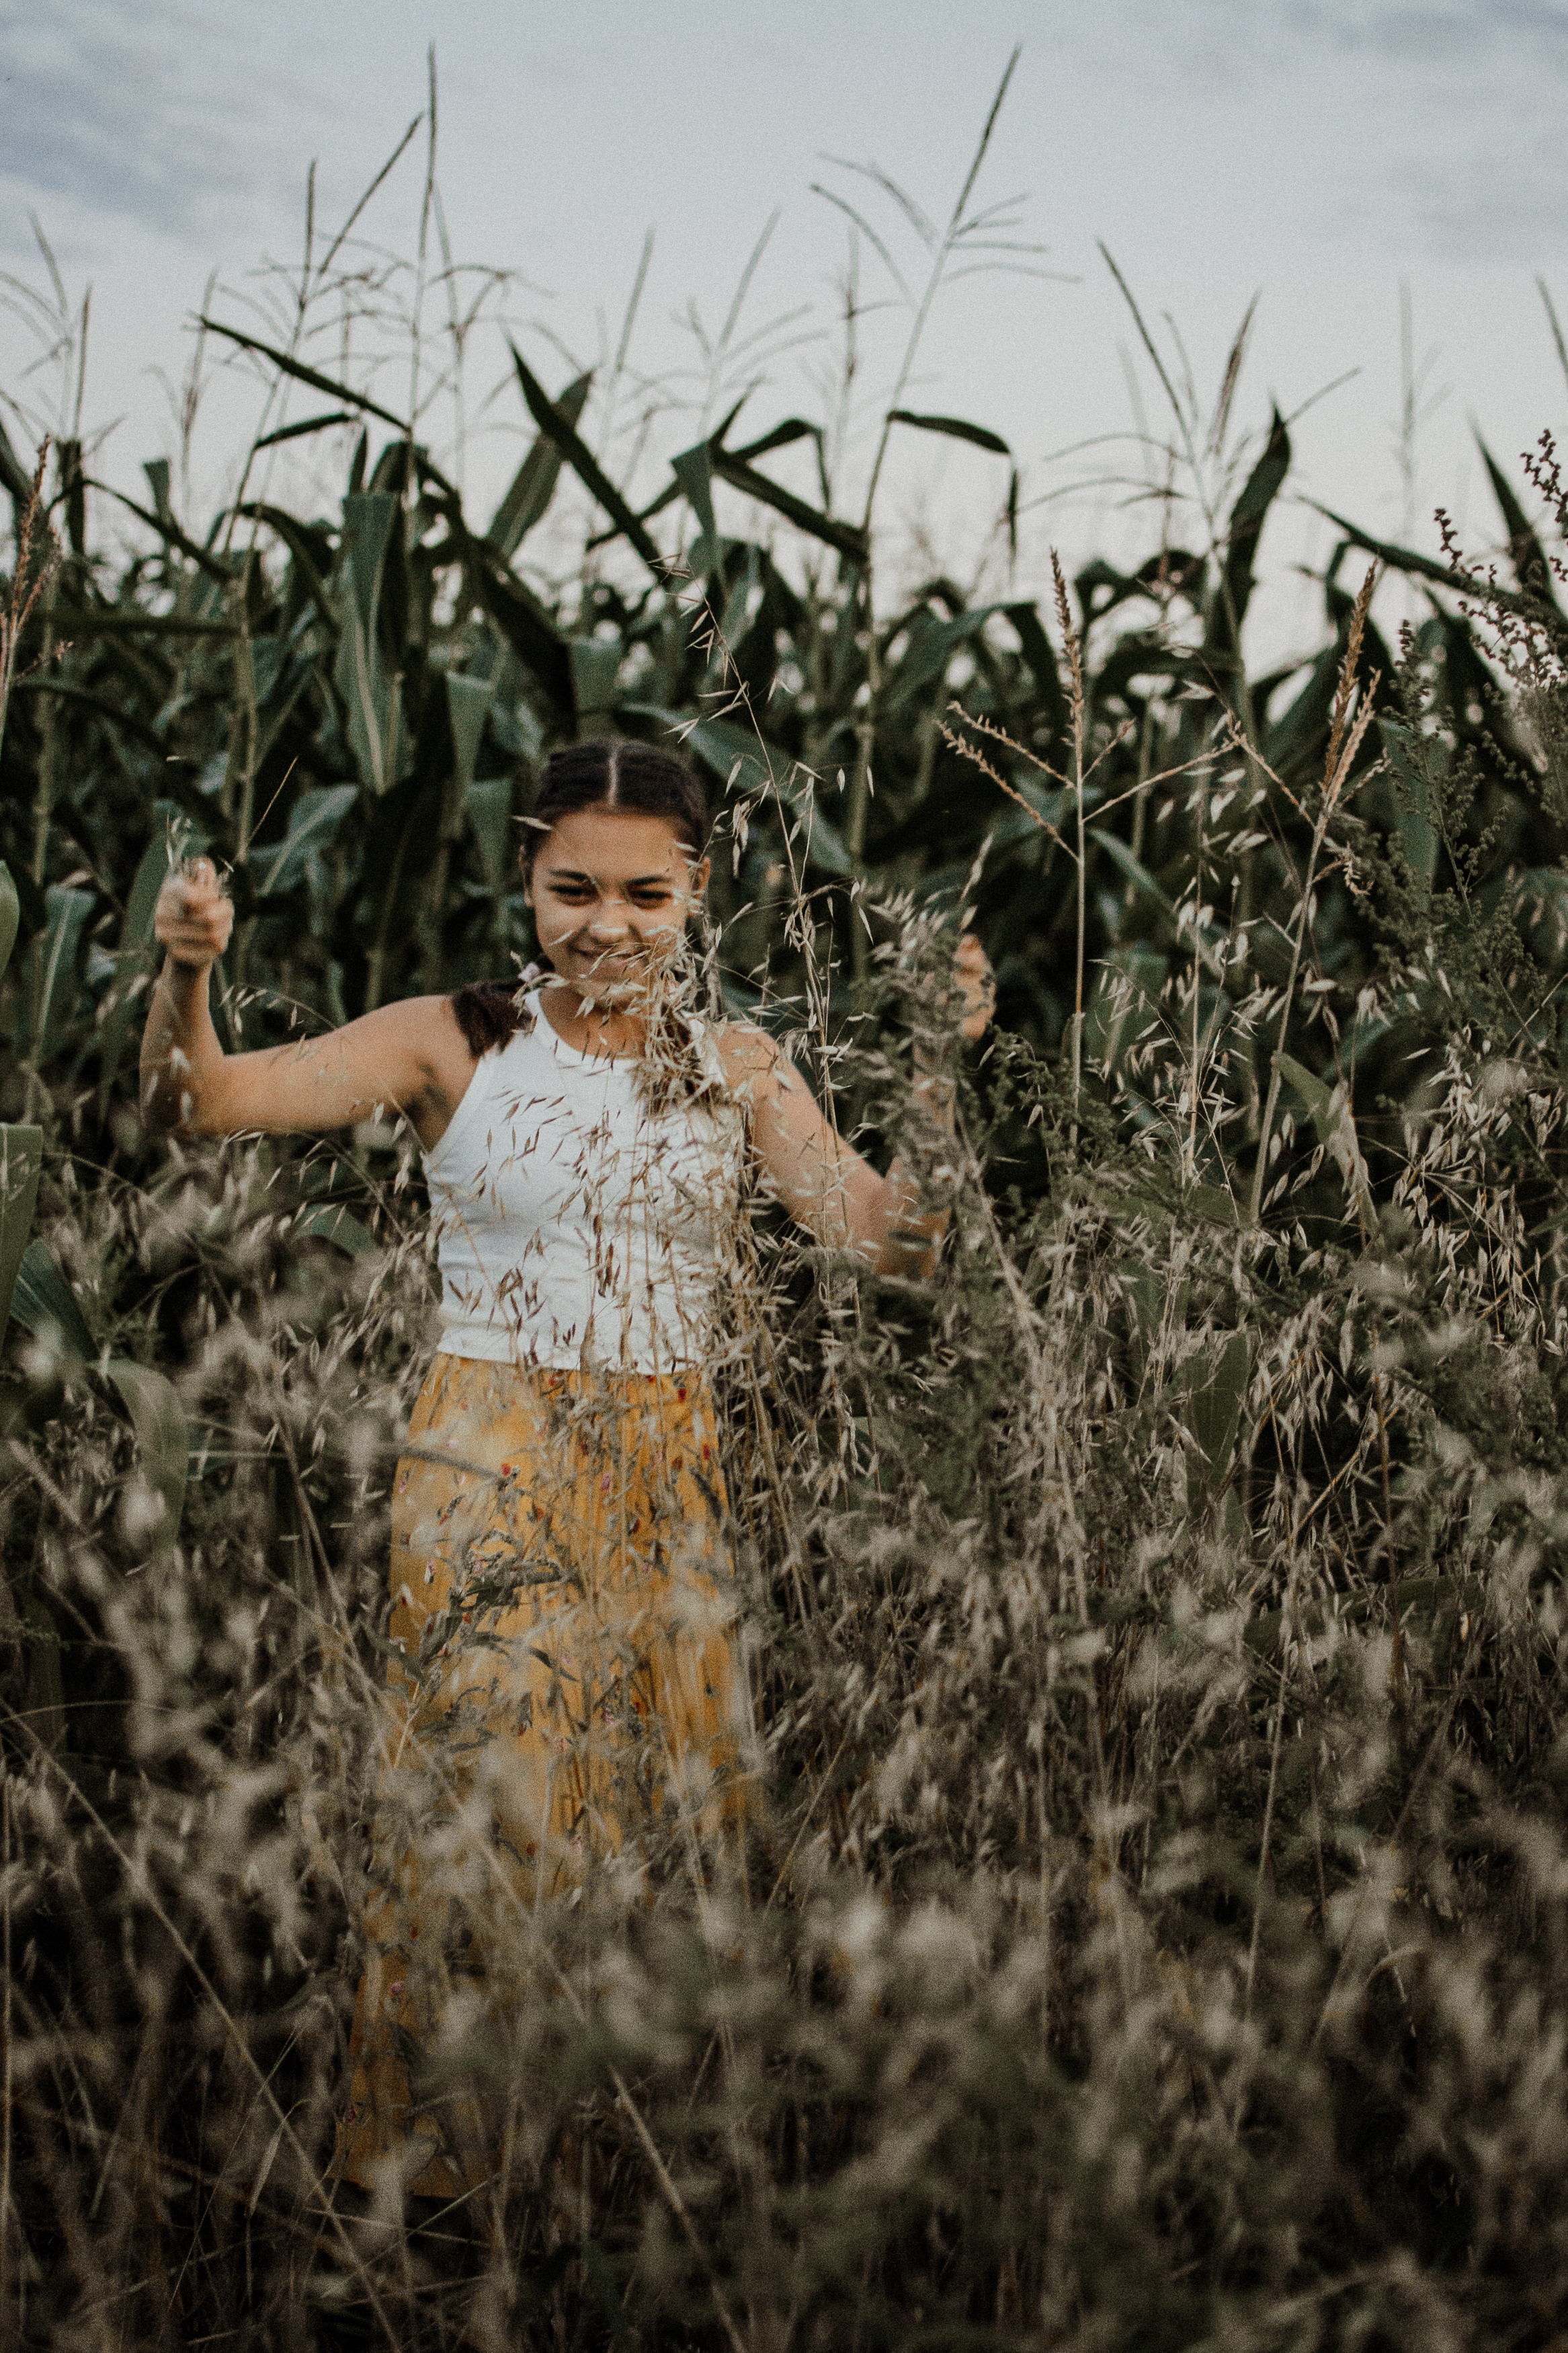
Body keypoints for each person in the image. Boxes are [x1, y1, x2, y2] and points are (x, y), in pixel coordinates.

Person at [141, 736, 994, 2198]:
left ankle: (615, 2180)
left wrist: (932, 1071)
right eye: (572, 888)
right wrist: (187, 976)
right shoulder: (452, 1041)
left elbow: (889, 1241)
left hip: (675, 1454)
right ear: (526, 878)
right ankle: (432, 2185)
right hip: (489, 1447)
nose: (608, 922)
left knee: (678, 1811)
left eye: (647, 894)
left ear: (699, 891)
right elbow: (201, 1104)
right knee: (485, 1827)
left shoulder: (736, 1067)